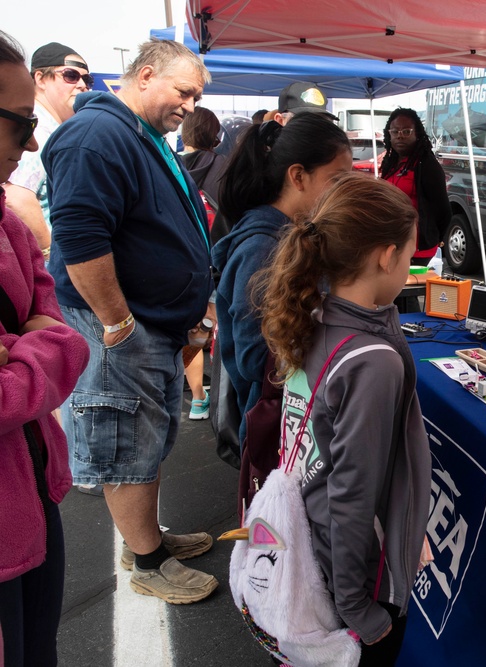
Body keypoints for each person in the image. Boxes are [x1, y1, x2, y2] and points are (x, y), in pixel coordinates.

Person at [44, 38, 218, 604]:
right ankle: (147, 560)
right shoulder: (98, 135)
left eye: (196, 96)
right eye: (184, 92)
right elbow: (79, 236)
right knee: (126, 444)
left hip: (146, 325)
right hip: (124, 327)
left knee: (145, 439)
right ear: (145, 76)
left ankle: (147, 540)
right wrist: (118, 323)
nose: (191, 106)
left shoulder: (135, 134)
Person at [256, 172, 430, 665]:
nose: (411, 266)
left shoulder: (314, 318)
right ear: (385, 255)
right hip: (349, 587)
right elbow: (352, 495)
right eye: (411, 253)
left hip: (306, 551)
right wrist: (360, 610)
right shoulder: (373, 362)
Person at [0, 31, 90, 667]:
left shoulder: (7, 220)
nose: (31, 143)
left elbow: (59, 329)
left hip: (32, 490)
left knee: (41, 648)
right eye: (17, 125)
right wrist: (40, 344)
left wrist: (25, 346)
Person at [213, 113, 352, 446]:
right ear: (298, 176)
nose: (342, 194)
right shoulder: (263, 248)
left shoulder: (295, 237)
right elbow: (255, 362)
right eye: (336, 181)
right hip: (278, 429)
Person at [4, 42, 91, 261]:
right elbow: (17, 197)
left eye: (86, 79)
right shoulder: (40, 131)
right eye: (71, 75)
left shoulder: (53, 130)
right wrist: (51, 256)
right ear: (41, 79)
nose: (82, 85)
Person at [180, 106, 227, 420]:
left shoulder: (170, 165)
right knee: (220, 330)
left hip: (185, 266)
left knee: (193, 334)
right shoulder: (224, 166)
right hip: (219, 261)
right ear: (216, 134)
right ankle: (225, 399)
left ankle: (198, 399)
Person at [380, 108, 449, 266]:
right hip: (394, 242)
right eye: (395, 131)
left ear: (417, 134)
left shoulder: (427, 165)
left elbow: (443, 210)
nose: (400, 136)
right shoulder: (390, 163)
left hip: (418, 246)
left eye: (406, 131)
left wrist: (434, 238)